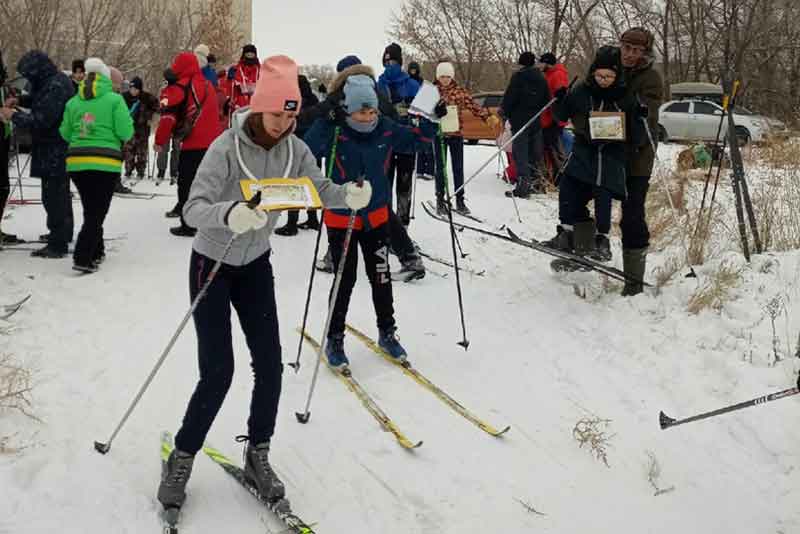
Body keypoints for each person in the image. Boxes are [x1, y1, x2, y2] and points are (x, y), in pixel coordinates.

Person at [156, 55, 370, 511]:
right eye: (278, 114)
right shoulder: (225, 148)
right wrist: (229, 214)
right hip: (212, 263)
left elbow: (319, 188)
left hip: (255, 264)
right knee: (219, 371)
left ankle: (258, 453)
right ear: (258, 108)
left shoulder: (296, 150)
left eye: (292, 115)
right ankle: (183, 454)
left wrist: (347, 194)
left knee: (270, 364)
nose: (284, 123)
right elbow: (194, 208)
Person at [304, 72, 440, 368]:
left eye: (371, 110)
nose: (367, 117)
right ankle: (335, 338)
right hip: (342, 218)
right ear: (349, 109)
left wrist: (431, 118)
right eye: (361, 111)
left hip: (376, 217)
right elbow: (307, 149)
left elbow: (419, 141)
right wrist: (325, 120)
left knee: (380, 276)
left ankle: (387, 332)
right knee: (345, 279)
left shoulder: (386, 129)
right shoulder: (337, 130)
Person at [300, 55, 425, 280]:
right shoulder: (373, 88)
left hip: (370, 153)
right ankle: (405, 256)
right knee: (370, 203)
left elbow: (313, 116)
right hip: (371, 154)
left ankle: (407, 255)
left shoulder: (349, 92)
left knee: (363, 203)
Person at [542, 46, 645, 265]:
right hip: (584, 151)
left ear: (617, 75)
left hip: (611, 155)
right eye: (599, 75)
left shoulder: (625, 95)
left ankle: (602, 240)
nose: (603, 80)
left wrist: (639, 117)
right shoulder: (582, 90)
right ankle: (566, 234)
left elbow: (638, 136)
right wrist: (560, 99)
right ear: (593, 72)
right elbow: (561, 115)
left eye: (609, 76)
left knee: (603, 193)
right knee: (568, 188)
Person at [58, 58, 133, 272]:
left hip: (77, 163)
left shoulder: (73, 102)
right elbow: (125, 132)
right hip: (105, 163)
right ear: (106, 78)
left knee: (91, 208)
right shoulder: (115, 100)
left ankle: (96, 250)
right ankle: (83, 257)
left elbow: (64, 132)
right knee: (97, 212)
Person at [0, 50, 74, 258]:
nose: (28, 78)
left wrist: (13, 116)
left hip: (54, 149)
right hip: (53, 148)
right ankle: (62, 234)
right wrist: (21, 101)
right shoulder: (53, 81)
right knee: (59, 194)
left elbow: (41, 120)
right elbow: (39, 100)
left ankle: (57, 243)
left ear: (37, 70)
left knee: (53, 197)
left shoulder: (56, 86)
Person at [154, 51, 223, 237]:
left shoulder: (180, 87)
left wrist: (160, 140)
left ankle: (188, 224)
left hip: (192, 144)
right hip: (213, 144)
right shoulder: (209, 85)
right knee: (208, 184)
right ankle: (209, 221)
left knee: (186, 185)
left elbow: (167, 116)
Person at [619, 27, 664, 296]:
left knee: (632, 215)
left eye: (637, 51)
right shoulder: (607, 66)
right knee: (577, 192)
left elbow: (643, 120)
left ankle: (633, 280)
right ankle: (580, 247)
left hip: (638, 156)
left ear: (645, 53)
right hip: (606, 153)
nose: (630, 55)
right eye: (627, 48)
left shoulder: (651, 79)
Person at [434, 61, 500, 215]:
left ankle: (460, 200)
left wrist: (487, 117)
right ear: (438, 76)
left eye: (448, 76)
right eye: (442, 76)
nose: (445, 79)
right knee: (441, 170)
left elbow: (474, 106)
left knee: (458, 168)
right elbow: (421, 111)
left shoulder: (459, 91)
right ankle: (440, 200)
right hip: (440, 135)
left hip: (456, 134)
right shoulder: (432, 91)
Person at [377, 43, 419, 225]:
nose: (389, 65)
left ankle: (402, 227)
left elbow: (421, 111)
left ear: (400, 63)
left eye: (393, 61)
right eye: (386, 61)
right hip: (384, 142)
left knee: (404, 186)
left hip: (406, 142)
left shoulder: (411, 84)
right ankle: (386, 227)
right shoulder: (379, 84)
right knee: (384, 186)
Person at [500, 52, 551, 199]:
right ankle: (537, 183)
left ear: (521, 63)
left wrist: (506, 113)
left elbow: (509, 98)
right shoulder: (541, 78)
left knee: (520, 154)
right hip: (535, 122)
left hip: (520, 122)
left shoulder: (519, 77)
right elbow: (546, 99)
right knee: (535, 153)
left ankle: (523, 187)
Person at [275, 74, 321, 236]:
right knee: (311, 183)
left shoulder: (292, 101)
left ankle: (292, 223)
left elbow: (287, 122)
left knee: (292, 184)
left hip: (295, 147)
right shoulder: (314, 100)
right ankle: (313, 218)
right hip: (313, 148)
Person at [537, 52, 569, 185]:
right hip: (545, 119)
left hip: (553, 120)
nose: (539, 65)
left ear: (547, 63)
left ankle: (562, 179)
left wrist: (559, 95)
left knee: (556, 150)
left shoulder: (558, 74)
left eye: (541, 63)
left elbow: (561, 97)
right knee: (547, 150)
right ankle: (551, 178)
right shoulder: (547, 74)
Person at [122, 76, 159, 180]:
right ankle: (128, 170)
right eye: (131, 88)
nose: (133, 91)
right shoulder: (124, 97)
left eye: (135, 89)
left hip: (142, 129)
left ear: (140, 89)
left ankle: (141, 171)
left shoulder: (147, 97)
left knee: (141, 151)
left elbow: (157, 106)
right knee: (129, 151)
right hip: (129, 128)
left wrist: (149, 116)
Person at [407, 61, 434, 181]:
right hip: (411, 113)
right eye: (411, 70)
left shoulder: (422, 82)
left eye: (414, 70)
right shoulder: (406, 82)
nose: (413, 72)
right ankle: (419, 168)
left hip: (423, 112)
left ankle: (429, 170)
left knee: (426, 142)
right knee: (416, 142)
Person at [157, 68, 181, 189]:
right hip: (166, 120)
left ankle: (174, 171)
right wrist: (164, 106)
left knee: (176, 148)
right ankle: (161, 170)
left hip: (177, 122)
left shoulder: (180, 88)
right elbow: (163, 103)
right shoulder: (165, 89)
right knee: (164, 147)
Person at [226, 44, 260, 115]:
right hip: (240, 107)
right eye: (248, 54)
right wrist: (231, 102)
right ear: (244, 55)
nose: (250, 56)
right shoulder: (236, 70)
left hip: (256, 107)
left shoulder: (260, 70)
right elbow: (231, 90)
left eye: (252, 54)